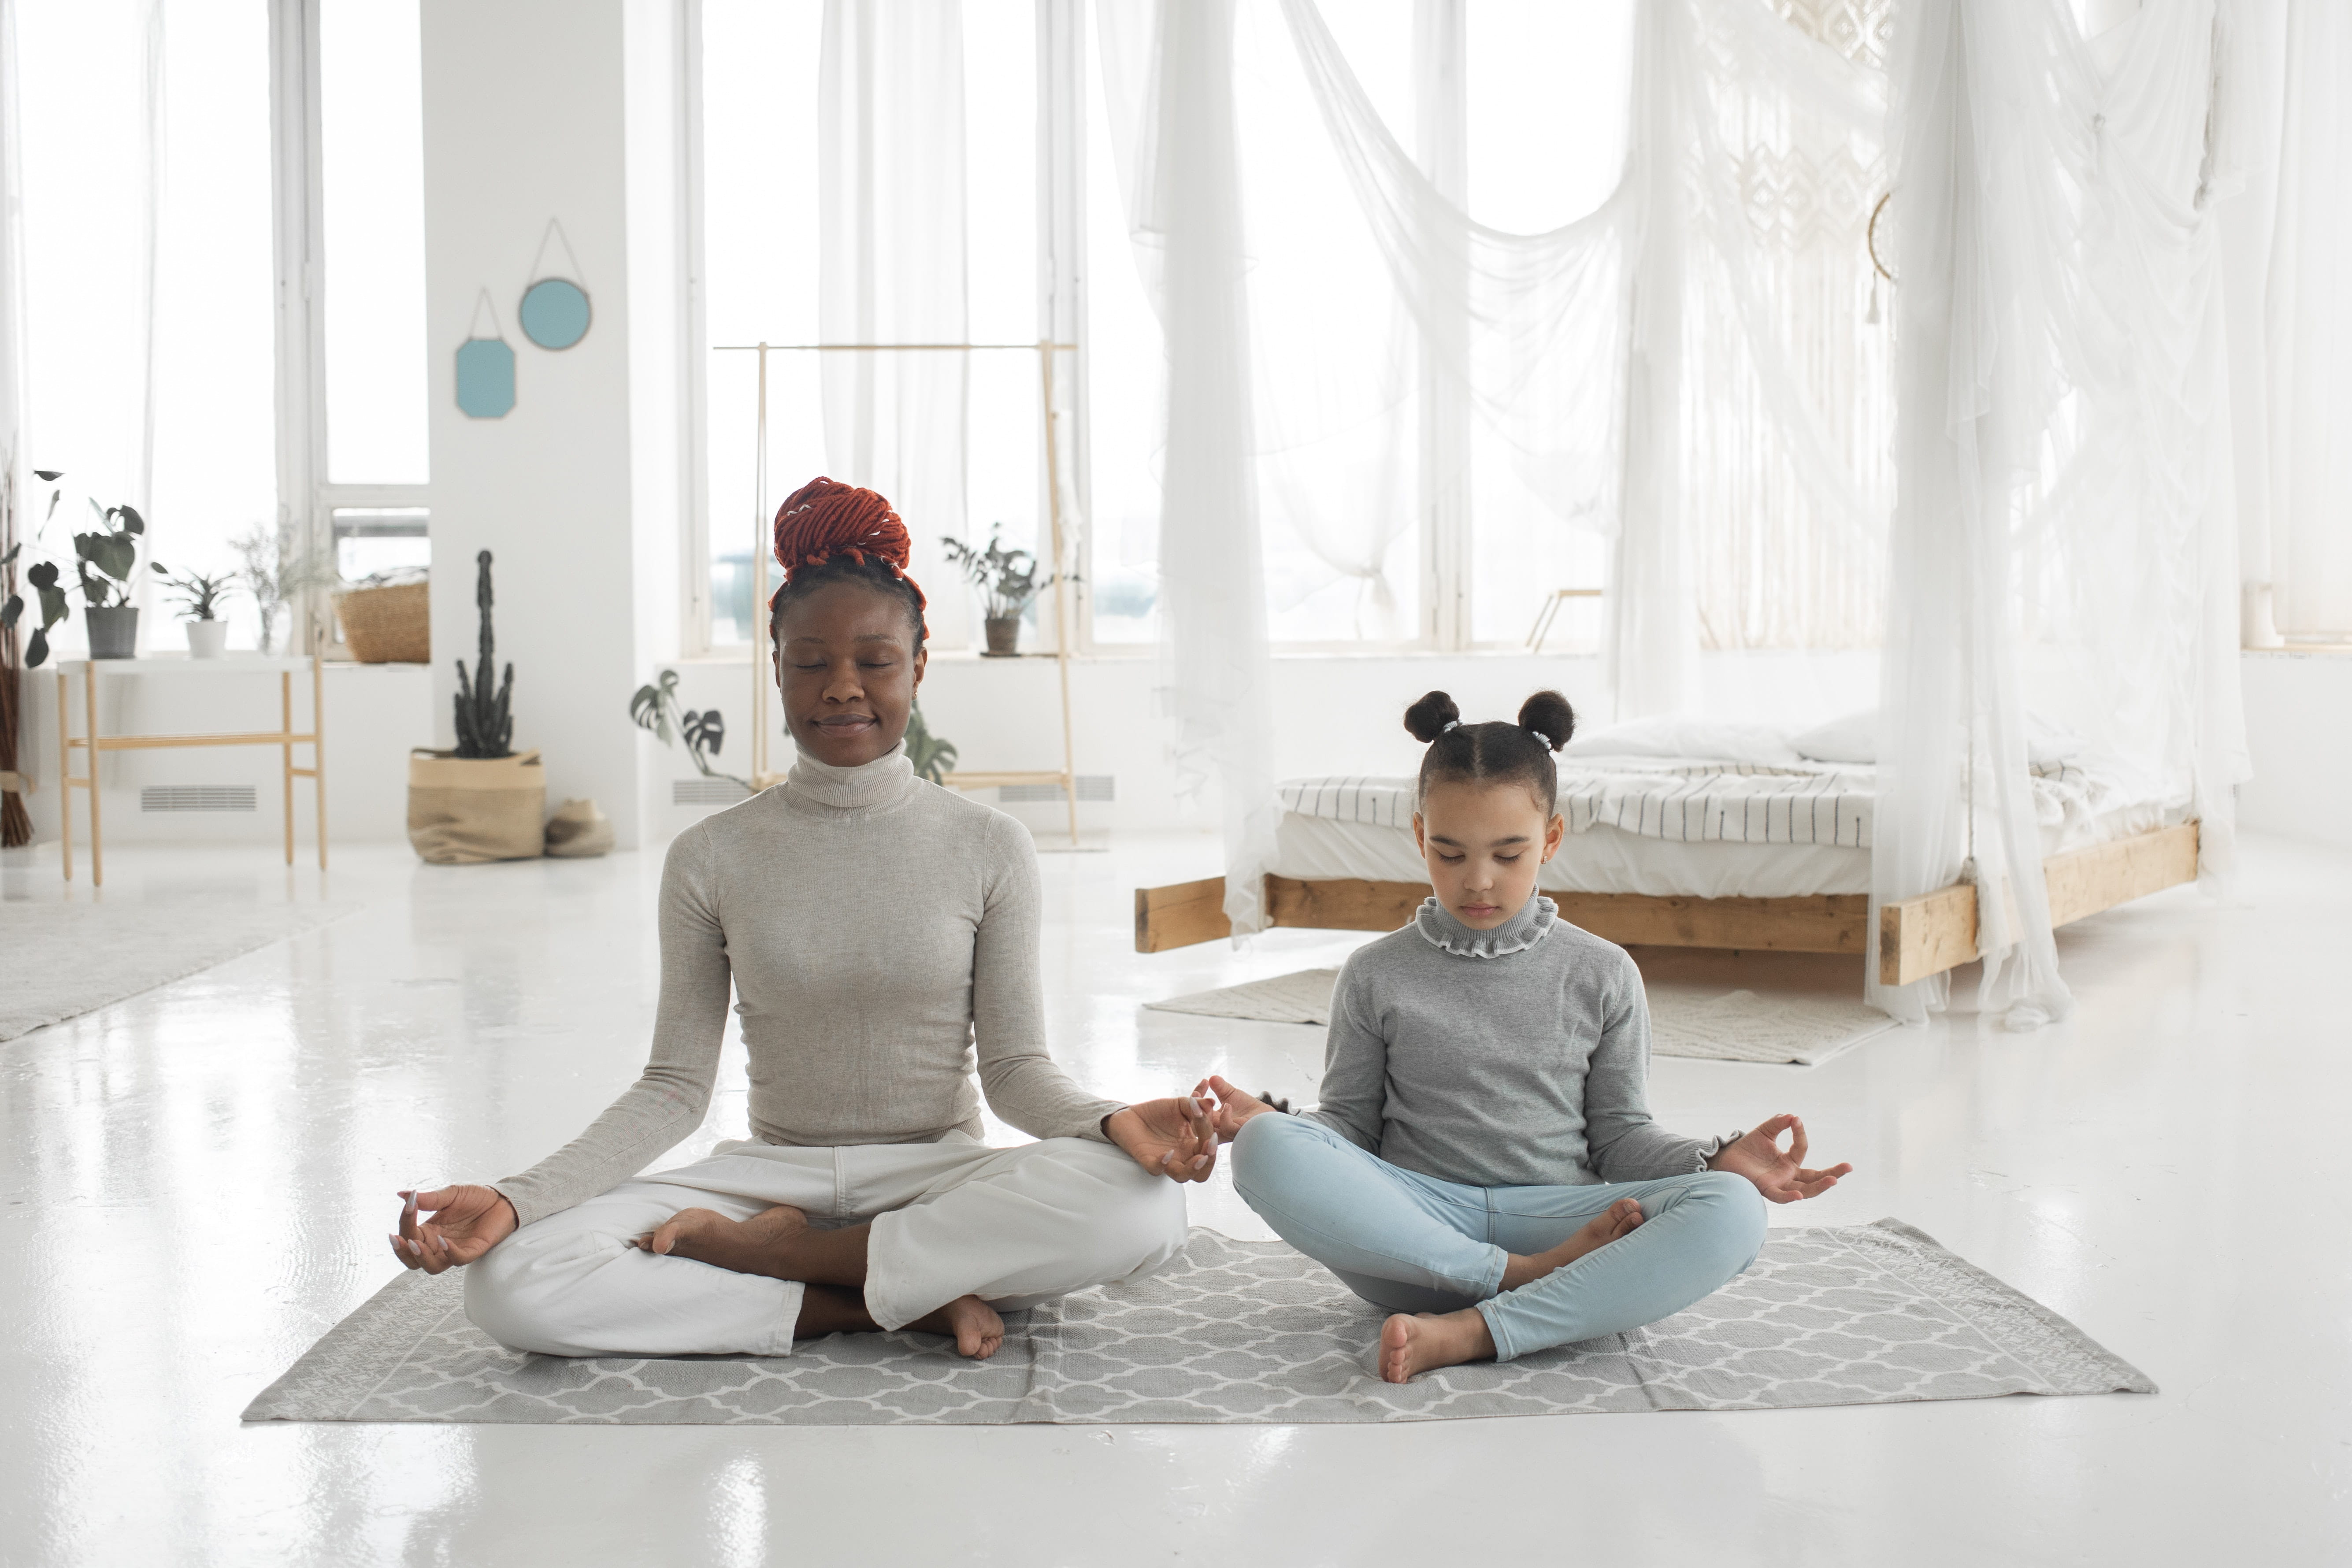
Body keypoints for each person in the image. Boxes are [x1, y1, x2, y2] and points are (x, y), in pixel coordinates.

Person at [387, 477, 1220, 1361]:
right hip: (766, 1176)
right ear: (776, 667)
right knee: (512, 1282)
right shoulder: (712, 856)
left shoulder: (989, 845)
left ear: (918, 667)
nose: (841, 688)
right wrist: (517, 1199)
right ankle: (875, 1300)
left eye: (875, 659)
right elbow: (673, 1085)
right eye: (811, 662)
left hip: (935, 1173)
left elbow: (1015, 1071)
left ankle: (791, 1265)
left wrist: (1107, 1122)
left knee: (1142, 1204)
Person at [1199, 689, 1854, 1383]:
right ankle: (1524, 1283)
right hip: (1420, 1240)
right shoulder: (1374, 974)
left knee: (1732, 1211)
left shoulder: (1603, 972)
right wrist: (1274, 1126)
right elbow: (1352, 1130)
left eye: (1508, 855)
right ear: (1420, 836)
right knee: (1269, 1148)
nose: (1477, 881)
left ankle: (1475, 1331)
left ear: (1550, 839)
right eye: (1449, 854)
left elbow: (1619, 1137)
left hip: (1568, 1228)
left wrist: (1716, 1161)